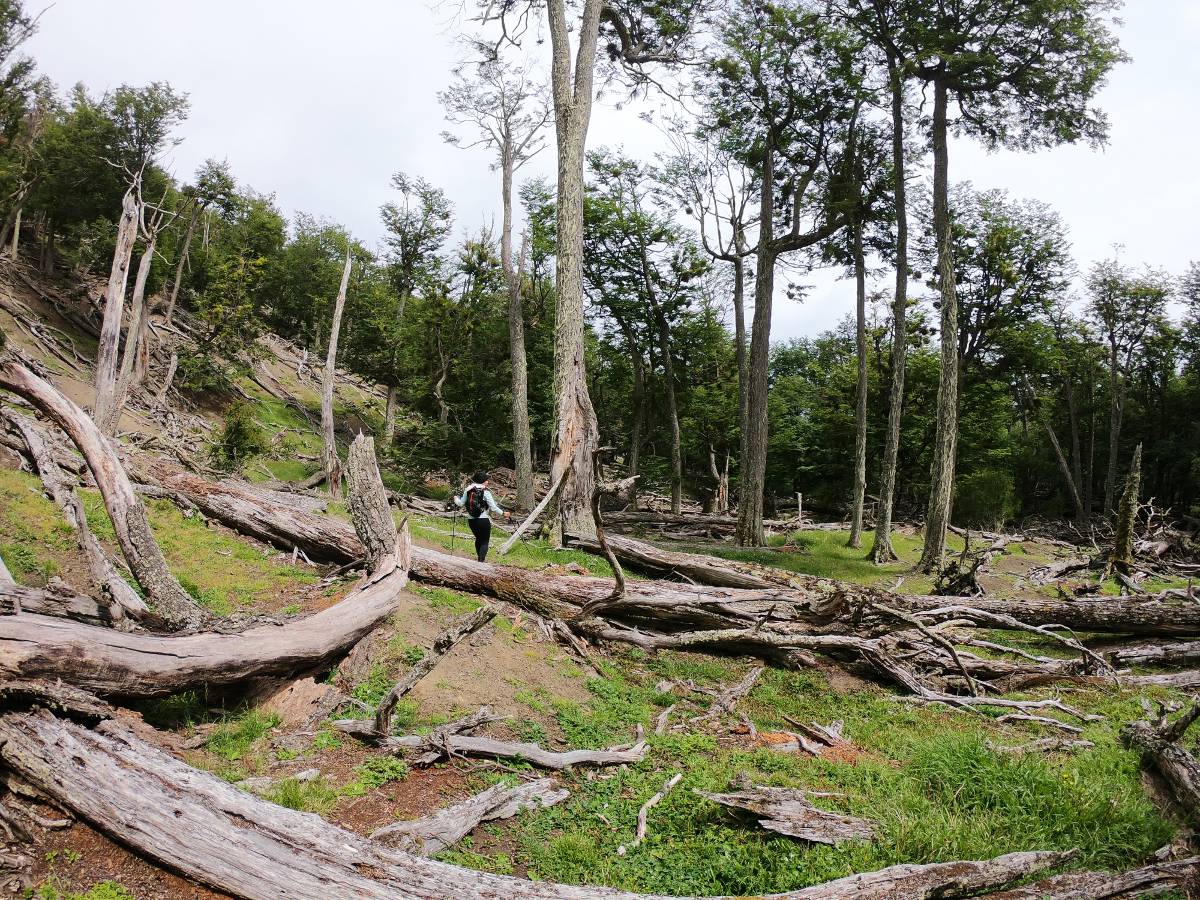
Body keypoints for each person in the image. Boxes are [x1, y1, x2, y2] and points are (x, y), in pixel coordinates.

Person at [453, 470, 510, 562]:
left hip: (471, 520)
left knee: (478, 539)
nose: (488, 482)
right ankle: (481, 562)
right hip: (483, 520)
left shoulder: (468, 489)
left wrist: (455, 498)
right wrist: (503, 513)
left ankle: (479, 560)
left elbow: (460, 503)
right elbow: (493, 507)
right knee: (485, 541)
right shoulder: (486, 491)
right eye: (487, 480)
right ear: (483, 480)